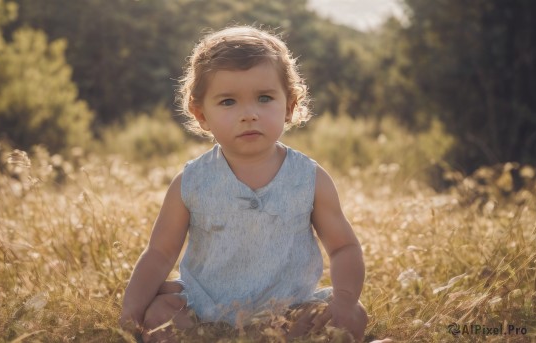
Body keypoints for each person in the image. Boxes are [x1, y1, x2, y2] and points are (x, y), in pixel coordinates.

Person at [119, 25, 367, 342]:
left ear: (289, 106)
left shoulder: (309, 178)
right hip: (203, 308)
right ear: (201, 115)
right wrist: (131, 311)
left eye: (264, 98)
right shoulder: (192, 180)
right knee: (159, 314)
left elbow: (344, 247)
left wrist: (344, 299)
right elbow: (159, 254)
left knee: (351, 316)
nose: (249, 114)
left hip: (288, 310)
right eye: (228, 102)